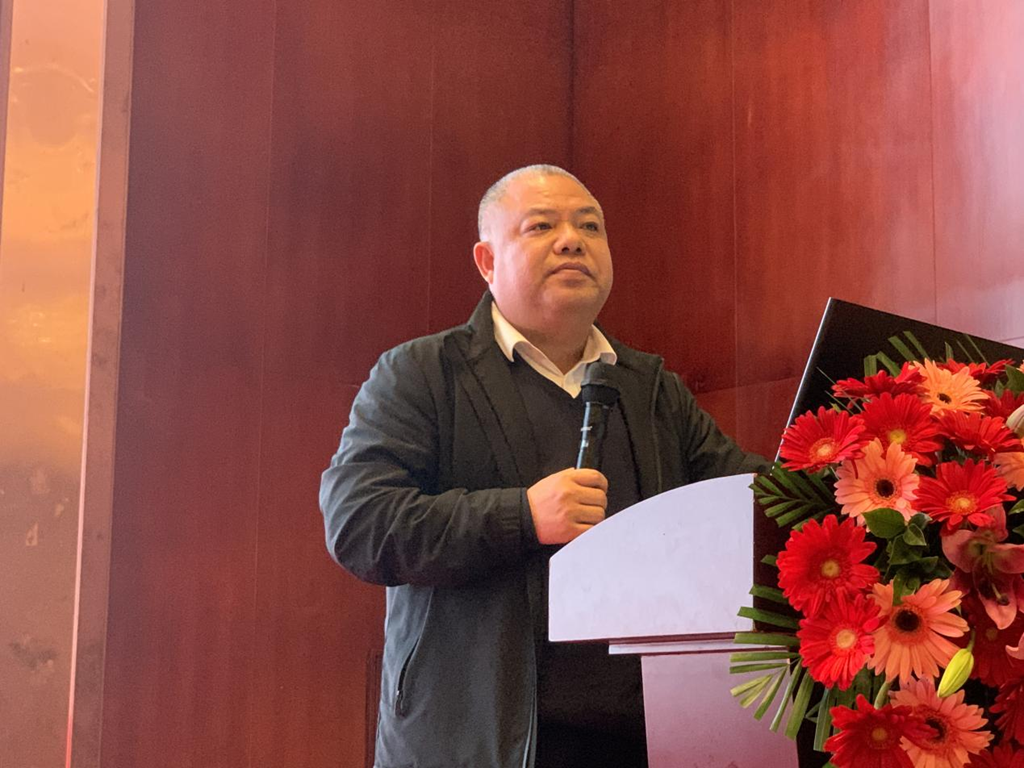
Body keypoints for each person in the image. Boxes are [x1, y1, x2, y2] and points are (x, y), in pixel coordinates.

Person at [320, 165, 766, 768]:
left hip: (643, 737)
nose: (572, 241)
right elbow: (360, 523)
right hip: (475, 742)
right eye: (541, 226)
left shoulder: (650, 387)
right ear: (487, 261)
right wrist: (522, 515)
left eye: (590, 226)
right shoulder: (423, 374)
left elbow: (747, 500)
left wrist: (857, 479)